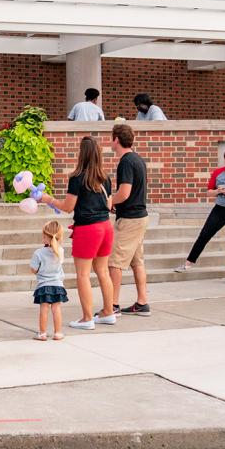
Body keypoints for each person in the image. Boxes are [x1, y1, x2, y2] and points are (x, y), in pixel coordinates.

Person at [40, 136, 116, 330]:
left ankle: (87, 318)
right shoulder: (105, 178)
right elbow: (109, 204)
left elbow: (67, 207)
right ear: (98, 154)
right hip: (106, 227)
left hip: (88, 229)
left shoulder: (77, 177)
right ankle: (108, 312)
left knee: (83, 274)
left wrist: (48, 199)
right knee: (103, 271)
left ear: (81, 154)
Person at [175, 145, 225, 283]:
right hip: (220, 208)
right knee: (204, 234)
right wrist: (218, 191)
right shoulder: (218, 173)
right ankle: (188, 263)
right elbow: (209, 191)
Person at [109, 124, 151, 316]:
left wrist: (108, 201)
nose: (111, 142)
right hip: (140, 217)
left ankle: (113, 305)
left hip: (130, 219)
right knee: (137, 261)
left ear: (117, 140)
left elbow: (124, 192)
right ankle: (142, 303)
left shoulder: (126, 161)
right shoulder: (138, 160)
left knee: (114, 262)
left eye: (111, 138)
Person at [30, 220, 69, 341]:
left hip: (44, 286)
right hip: (57, 284)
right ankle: (58, 333)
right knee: (56, 308)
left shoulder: (38, 253)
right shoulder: (60, 251)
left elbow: (34, 270)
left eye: (43, 236)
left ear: (46, 237)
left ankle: (42, 333)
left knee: (44, 309)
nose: (42, 238)